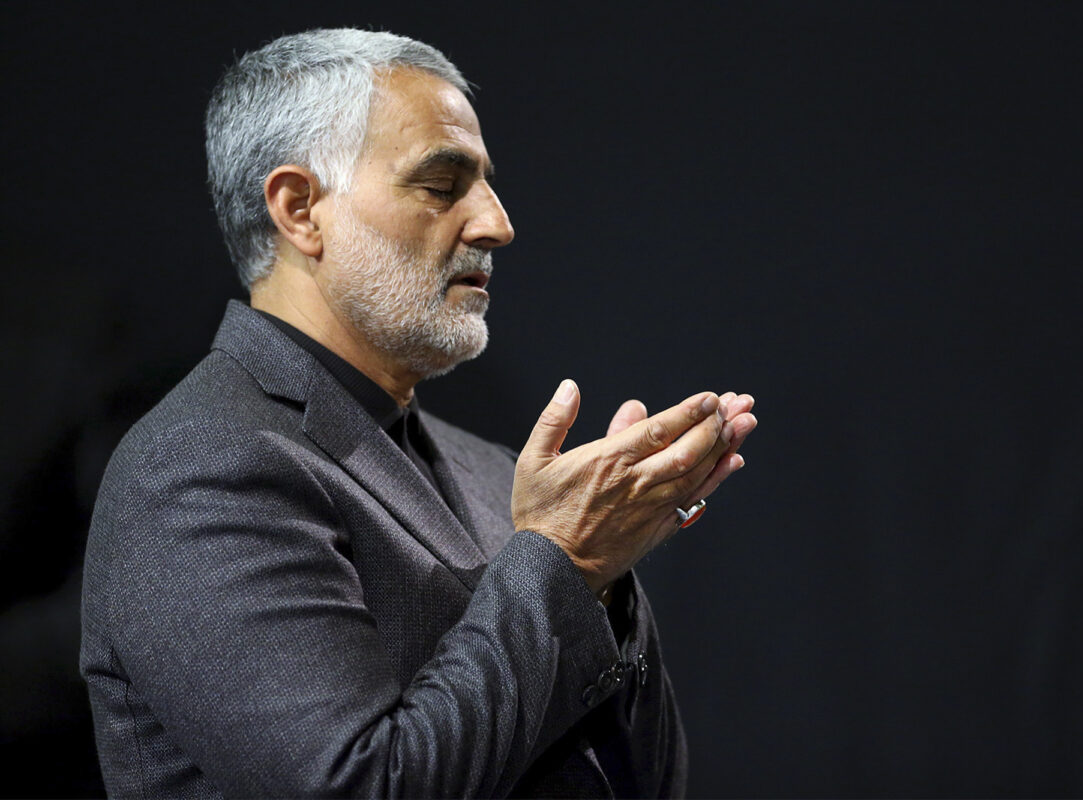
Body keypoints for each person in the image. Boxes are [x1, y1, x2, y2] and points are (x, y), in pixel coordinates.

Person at [80, 28, 756, 798]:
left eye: (489, 184)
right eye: (443, 185)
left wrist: (601, 575)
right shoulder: (201, 467)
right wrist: (564, 560)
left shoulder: (492, 470)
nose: (496, 223)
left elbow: (646, 784)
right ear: (300, 210)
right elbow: (363, 787)